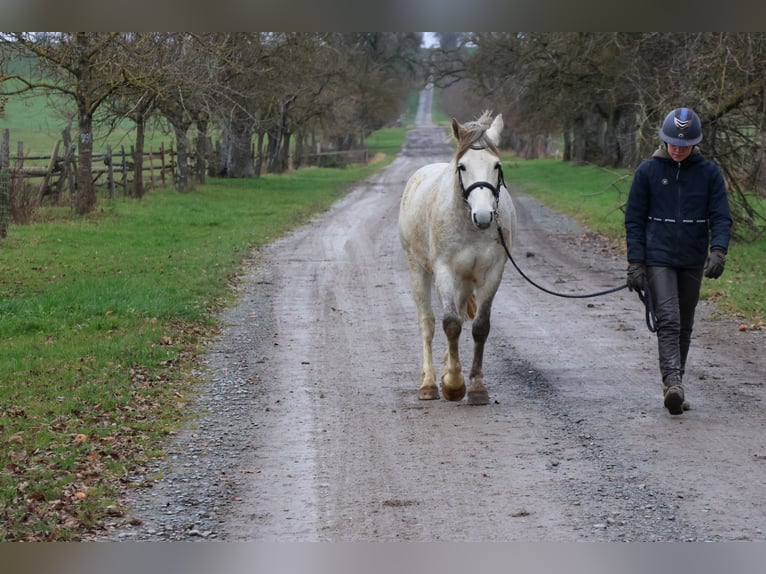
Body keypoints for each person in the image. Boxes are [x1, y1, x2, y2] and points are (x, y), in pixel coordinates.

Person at [625, 107, 733, 415]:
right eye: (672, 142)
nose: (677, 149)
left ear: (694, 144)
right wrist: (636, 262)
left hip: (692, 257)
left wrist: (718, 250)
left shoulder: (709, 174)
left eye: (683, 145)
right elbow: (634, 219)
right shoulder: (647, 171)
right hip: (658, 256)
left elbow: (721, 216)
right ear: (663, 139)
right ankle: (671, 383)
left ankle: (677, 383)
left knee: (685, 322)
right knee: (669, 318)